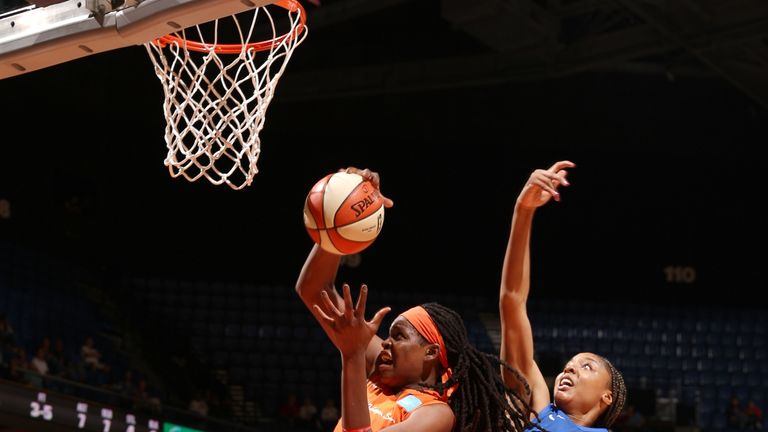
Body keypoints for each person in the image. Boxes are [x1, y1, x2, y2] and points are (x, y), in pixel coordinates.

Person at [296, 167, 535, 432]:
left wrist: (352, 355)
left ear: (430, 352)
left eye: (399, 336)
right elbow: (314, 290)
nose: (385, 343)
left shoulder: (436, 414)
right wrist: (337, 221)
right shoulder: (382, 366)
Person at [499, 160, 627, 431]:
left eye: (587, 367)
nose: (569, 369)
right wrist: (523, 210)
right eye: (569, 365)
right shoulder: (539, 411)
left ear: (607, 397)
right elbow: (512, 301)